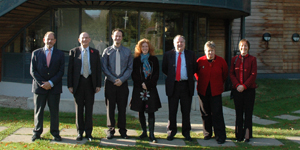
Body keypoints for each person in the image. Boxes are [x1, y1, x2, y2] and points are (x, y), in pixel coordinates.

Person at [30, 31, 65, 142]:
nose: (49, 41)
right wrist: (42, 83)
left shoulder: (60, 54)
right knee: (38, 111)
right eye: (47, 39)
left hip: (54, 88)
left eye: (52, 39)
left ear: (55, 41)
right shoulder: (36, 53)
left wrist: (50, 83)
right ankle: (37, 132)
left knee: (54, 111)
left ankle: (55, 133)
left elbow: (61, 71)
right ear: (44, 40)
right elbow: (33, 71)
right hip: (39, 88)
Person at [162, 35, 197, 141]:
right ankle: (171, 131)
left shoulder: (191, 54)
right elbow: (164, 69)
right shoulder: (168, 55)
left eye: (182, 42)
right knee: (172, 110)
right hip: (173, 85)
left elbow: (194, 68)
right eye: (177, 42)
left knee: (186, 111)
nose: (179, 44)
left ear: (184, 43)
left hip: (186, 85)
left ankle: (186, 132)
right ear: (174, 43)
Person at [67, 32, 101, 141]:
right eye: (83, 38)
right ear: (79, 39)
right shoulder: (74, 52)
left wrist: (98, 84)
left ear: (90, 39)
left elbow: (98, 70)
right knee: (79, 109)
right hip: (78, 83)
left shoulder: (95, 52)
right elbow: (70, 70)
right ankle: (80, 132)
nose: (85, 40)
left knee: (89, 109)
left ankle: (89, 133)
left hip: (90, 83)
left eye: (86, 38)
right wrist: (70, 85)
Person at [102, 28, 133, 139]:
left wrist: (122, 79)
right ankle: (111, 130)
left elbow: (130, 68)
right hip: (110, 83)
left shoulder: (127, 52)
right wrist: (114, 79)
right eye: (116, 36)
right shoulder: (107, 51)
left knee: (122, 108)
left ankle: (122, 130)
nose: (117, 38)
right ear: (112, 37)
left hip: (123, 83)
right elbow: (104, 68)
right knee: (110, 107)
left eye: (119, 36)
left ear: (122, 37)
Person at [194, 41, 228, 144]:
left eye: (212, 51)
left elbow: (225, 75)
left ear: (215, 51)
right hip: (203, 91)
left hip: (216, 91)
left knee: (217, 114)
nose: (210, 53)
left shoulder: (221, 61)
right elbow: (196, 74)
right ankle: (207, 133)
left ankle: (220, 135)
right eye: (208, 51)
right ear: (205, 51)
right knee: (205, 113)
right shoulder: (200, 61)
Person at [129, 39, 162, 143]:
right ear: (139, 48)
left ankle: (152, 134)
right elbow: (134, 74)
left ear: (149, 48)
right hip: (139, 88)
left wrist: (148, 84)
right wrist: (142, 84)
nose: (144, 48)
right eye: (142, 47)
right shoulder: (136, 60)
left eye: (146, 47)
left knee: (151, 111)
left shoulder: (154, 59)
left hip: (151, 89)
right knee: (141, 110)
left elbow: (156, 74)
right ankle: (144, 132)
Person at [230, 39, 257, 143]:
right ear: (239, 47)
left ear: (248, 48)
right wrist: (237, 85)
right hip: (237, 90)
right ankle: (238, 136)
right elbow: (231, 74)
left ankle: (247, 136)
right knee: (239, 113)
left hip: (249, 90)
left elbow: (253, 75)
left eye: (245, 46)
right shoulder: (234, 60)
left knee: (248, 113)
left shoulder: (252, 59)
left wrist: (244, 86)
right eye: (242, 46)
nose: (243, 48)